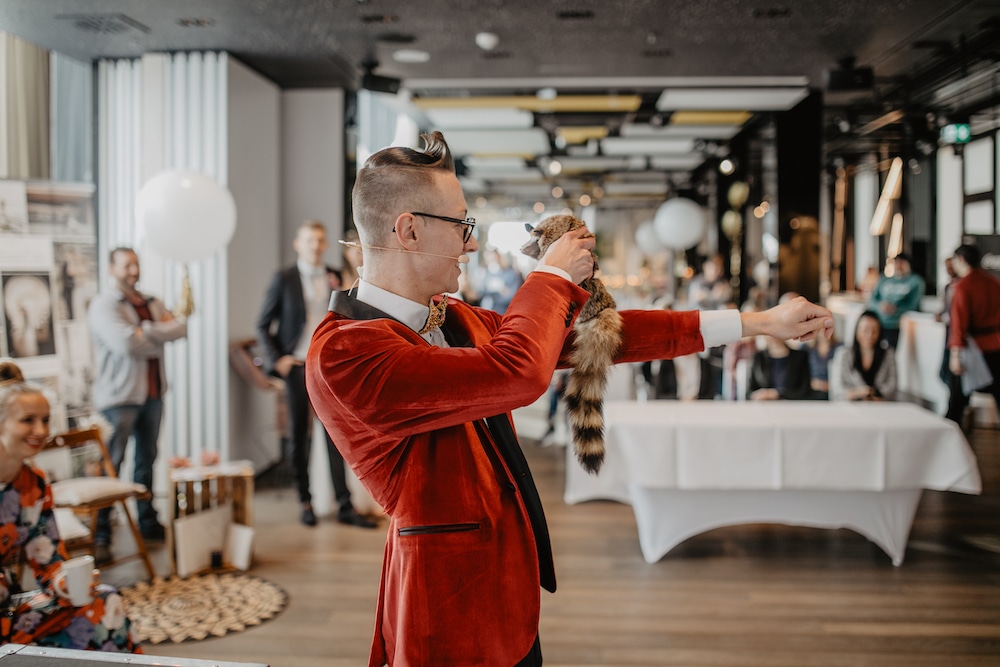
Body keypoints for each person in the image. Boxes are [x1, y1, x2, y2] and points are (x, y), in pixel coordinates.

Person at [304, 131, 833, 667]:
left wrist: (757, 322)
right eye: (462, 225)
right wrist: (551, 275)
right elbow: (517, 373)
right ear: (408, 229)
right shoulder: (344, 351)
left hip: (508, 584)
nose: (471, 244)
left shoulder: (454, 318)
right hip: (444, 602)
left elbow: (599, 340)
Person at [0, 377, 140, 652]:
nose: (40, 430)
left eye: (45, 420)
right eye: (28, 420)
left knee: (104, 600)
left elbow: (48, 558)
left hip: (7, 611)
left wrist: (64, 582)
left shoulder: (34, 484)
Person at [255, 221, 376, 529]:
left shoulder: (334, 275)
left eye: (320, 240)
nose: (315, 246)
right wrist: (276, 359)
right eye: (309, 240)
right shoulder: (283, 278)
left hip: (327, 366)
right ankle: (304, 501)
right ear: (298, 244)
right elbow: (262, 324)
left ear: (324, 244)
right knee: (298, 436)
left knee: (336, 434)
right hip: (296, 366)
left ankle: (344, 504)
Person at [87, 248, 187, 565]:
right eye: (126, 264)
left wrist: (146, 331)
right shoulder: (103, 305)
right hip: (119, 399)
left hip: (153, 395)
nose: (133, 270)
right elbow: (125, 343)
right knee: (111, 465)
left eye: (136, 263)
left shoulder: (152, 301)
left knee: (147, 462)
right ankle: (101, 533)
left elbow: (181, 328)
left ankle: (147, 523)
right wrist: (156, 332)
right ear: (111, 268)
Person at [945, 244, 1000, 424]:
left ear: (961, 260)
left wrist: (955, 354)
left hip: (972, 349)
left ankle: (950, 442)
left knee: (957, 402)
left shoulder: (962, 287)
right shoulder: (993, 282)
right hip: (996, 345)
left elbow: (958, 324)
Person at [830, 310, 897, 401]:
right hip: (850, 407)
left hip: (880, 407)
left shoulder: (888, 354)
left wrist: (874, 397)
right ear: (857, 330)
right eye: (865, 330)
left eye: (874, 331)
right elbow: (837, 389)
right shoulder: (843, 354)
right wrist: (862, 392)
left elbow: (892, 387)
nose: (869, 335)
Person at [869, 253, 925, 346]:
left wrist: (896, 309)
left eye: (901, 263)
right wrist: (880, 306)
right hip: (880, 322)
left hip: (899, 325)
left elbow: (914, 305)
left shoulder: (916, 281)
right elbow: (872, 300)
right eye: (896, 263)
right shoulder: (884, 280)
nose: (898, 266)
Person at [747, 335, 813, 400]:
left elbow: (805, 391)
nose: (772, 334)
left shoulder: (800, 357)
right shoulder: (758, 358)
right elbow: (749, 392)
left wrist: (778, 394)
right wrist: (759, 394)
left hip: (792, 406)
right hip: (764, 406)